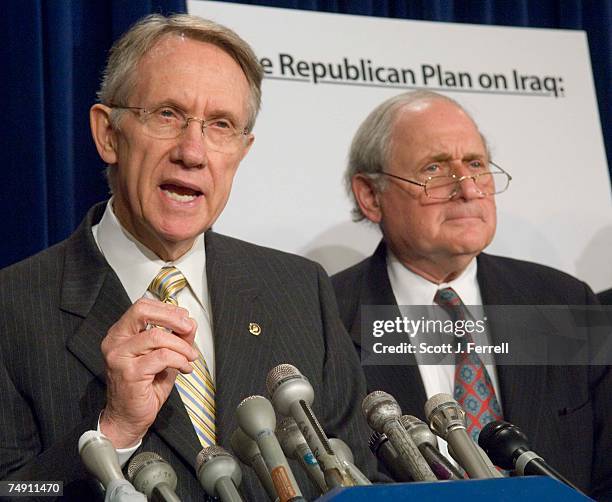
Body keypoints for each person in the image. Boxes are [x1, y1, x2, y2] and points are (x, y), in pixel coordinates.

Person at [0, 14, 375, 500]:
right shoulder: (12, 308)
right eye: (167, 114)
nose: (193, 152)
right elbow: (16, 492)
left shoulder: (301, 289)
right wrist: (112, 432)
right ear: (108, 135)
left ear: (242, 151)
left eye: (221, 125)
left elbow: (361, 479)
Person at [332, 90, 612, 498]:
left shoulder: (563, 301)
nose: (468, 189)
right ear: (371, 196)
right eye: (435, 169)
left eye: (476, 165)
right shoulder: (328, 316)